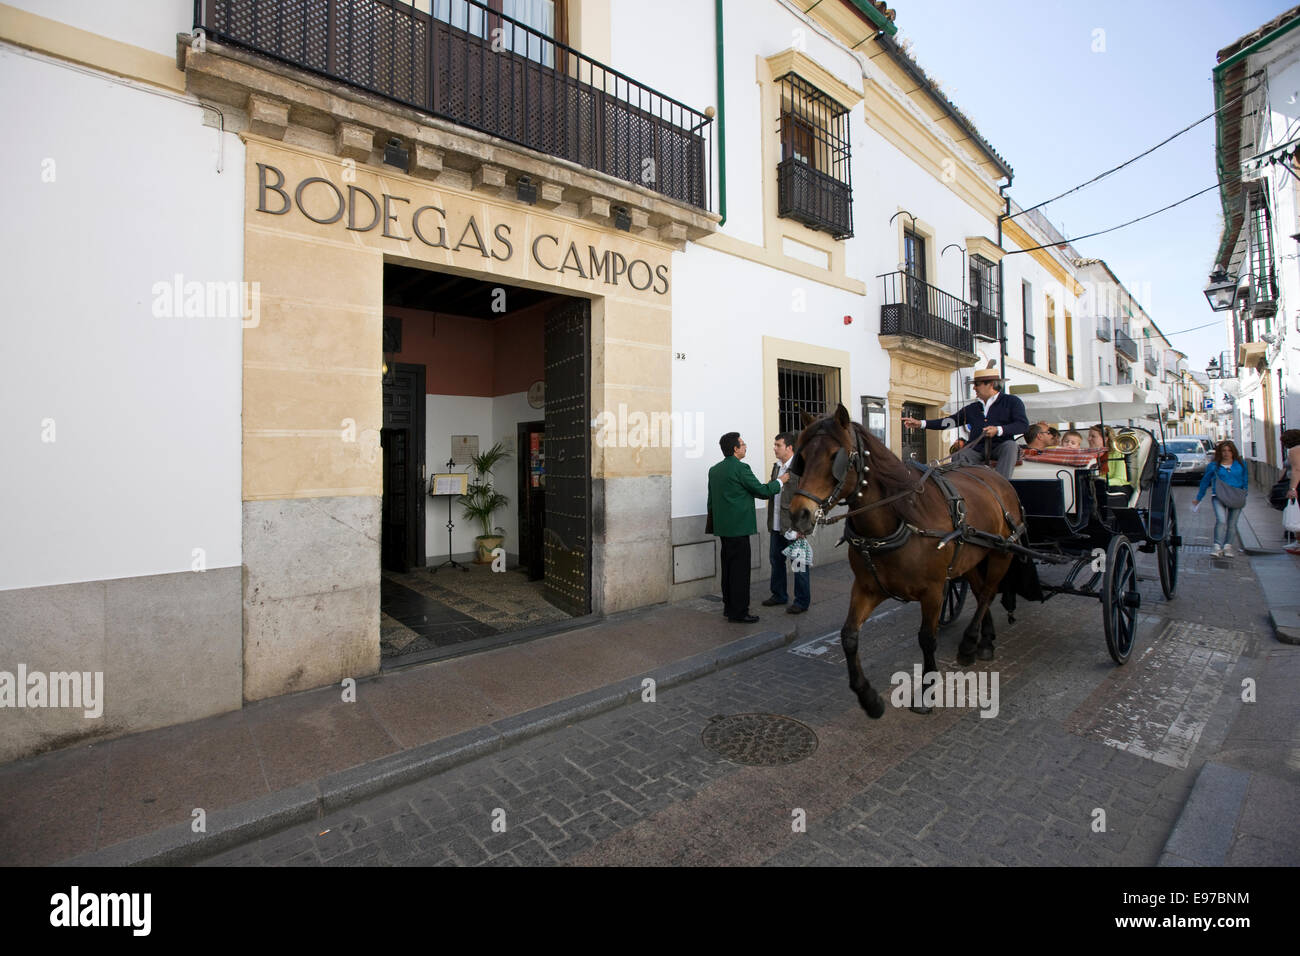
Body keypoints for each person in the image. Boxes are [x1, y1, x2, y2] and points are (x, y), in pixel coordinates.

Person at [707, 432, 785, 622]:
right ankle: (739, 612)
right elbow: (762, 491)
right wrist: (780, 482)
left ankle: (729, 607)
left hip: (723, 529)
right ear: (735, 449)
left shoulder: (714, 470)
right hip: (739, 529)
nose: (745, 447)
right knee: (740, 573)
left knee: (728, 570)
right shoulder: (741, 468)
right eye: (743, 444)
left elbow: (711, 501)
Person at [901, 367, 1029, 478]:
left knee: (1010, 447)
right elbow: (950, 422)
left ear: (990, 384)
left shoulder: (1012, 401)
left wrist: (998, 430)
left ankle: (1001, 484)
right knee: (960, 455)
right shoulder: (972, 408)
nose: (974, 387)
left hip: (1001, 447)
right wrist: (921, 423)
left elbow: (1022, 425)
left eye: (977, 384)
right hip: (977, 450)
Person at [763, 432, 811, 614]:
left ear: (790, 447)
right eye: (774, 445)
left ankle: (802, 601)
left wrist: (803, 527)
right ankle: (779, 594)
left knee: (799, 564)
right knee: (776, 560)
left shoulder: (800, 469)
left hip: (794, 526)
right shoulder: (777, 467)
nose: (774, 448)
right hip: (776, 525)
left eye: (778, 445)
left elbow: (807, 499)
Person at [1194, 439, 1249, 558]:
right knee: (1221, 520)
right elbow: (1205, 481)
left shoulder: (1240, 463)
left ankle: (1228, 546)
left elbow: (1245, 479)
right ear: (1220, 452)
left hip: (1236, 496)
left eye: (1229, 450)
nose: (1226, 453)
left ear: (1233, 451)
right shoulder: (1214, 466)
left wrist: (1245, 492)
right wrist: (1199, 497)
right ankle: (1217, 546)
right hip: (1218, 496)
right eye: (1223, 450)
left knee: (1232, 523)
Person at [1280, 429, 1300, 554]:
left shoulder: (1294, 450)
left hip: (1298, 484)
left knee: (1298, 513)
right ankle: (1298, 542)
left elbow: (1297, 470)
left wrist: (1293, 489)